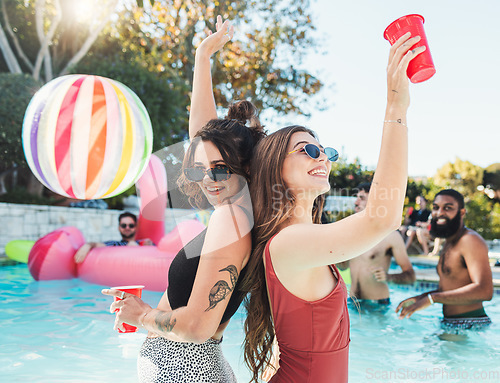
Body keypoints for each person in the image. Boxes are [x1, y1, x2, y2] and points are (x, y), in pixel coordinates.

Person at [242, 32, 425, 382]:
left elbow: (283, 348)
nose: (322, 156)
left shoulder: (303, 240)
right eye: (308, 150)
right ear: (273, 168)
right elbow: (382, 217)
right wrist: (396, 107)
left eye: (325, 151)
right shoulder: (288, 242)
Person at [103, 17, 265, 383]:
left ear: (249, 168)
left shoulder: (231, 219)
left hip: (183, 368)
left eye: (220, 169)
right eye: (200, 169)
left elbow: (196, 326)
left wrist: (140, 314)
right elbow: (204, 139)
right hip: (197, 366)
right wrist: (203, 56)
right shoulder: (241, 209)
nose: (208, 179)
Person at [396, 189, 493, 330]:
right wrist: (422, 297)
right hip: (452, 324)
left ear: (462, 213)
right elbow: (450, 287)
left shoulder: (470, 240)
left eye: (448, 208)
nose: (439, 213)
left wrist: (432, 299)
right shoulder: (449, 241)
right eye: (436, 208)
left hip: (470, 324)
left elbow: (485, 291)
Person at [343, 182, 415, 308]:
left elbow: (410, 276)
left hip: (378, 305)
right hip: (352, 303)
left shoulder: (391, 236)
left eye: (362, 198)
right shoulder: (351, 232)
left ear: (375, 202)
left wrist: (388, 277)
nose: (356, 202)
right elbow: (343, 267)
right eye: (357, 198)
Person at [74, 212, 153, 263]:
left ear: (136, 227)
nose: (127, 228)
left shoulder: (144, 243)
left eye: (131, 225)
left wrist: (146, 247)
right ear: (119, 227)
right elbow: (96, 244)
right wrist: (87, 245)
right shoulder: (115, 244)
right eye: (123, 225)